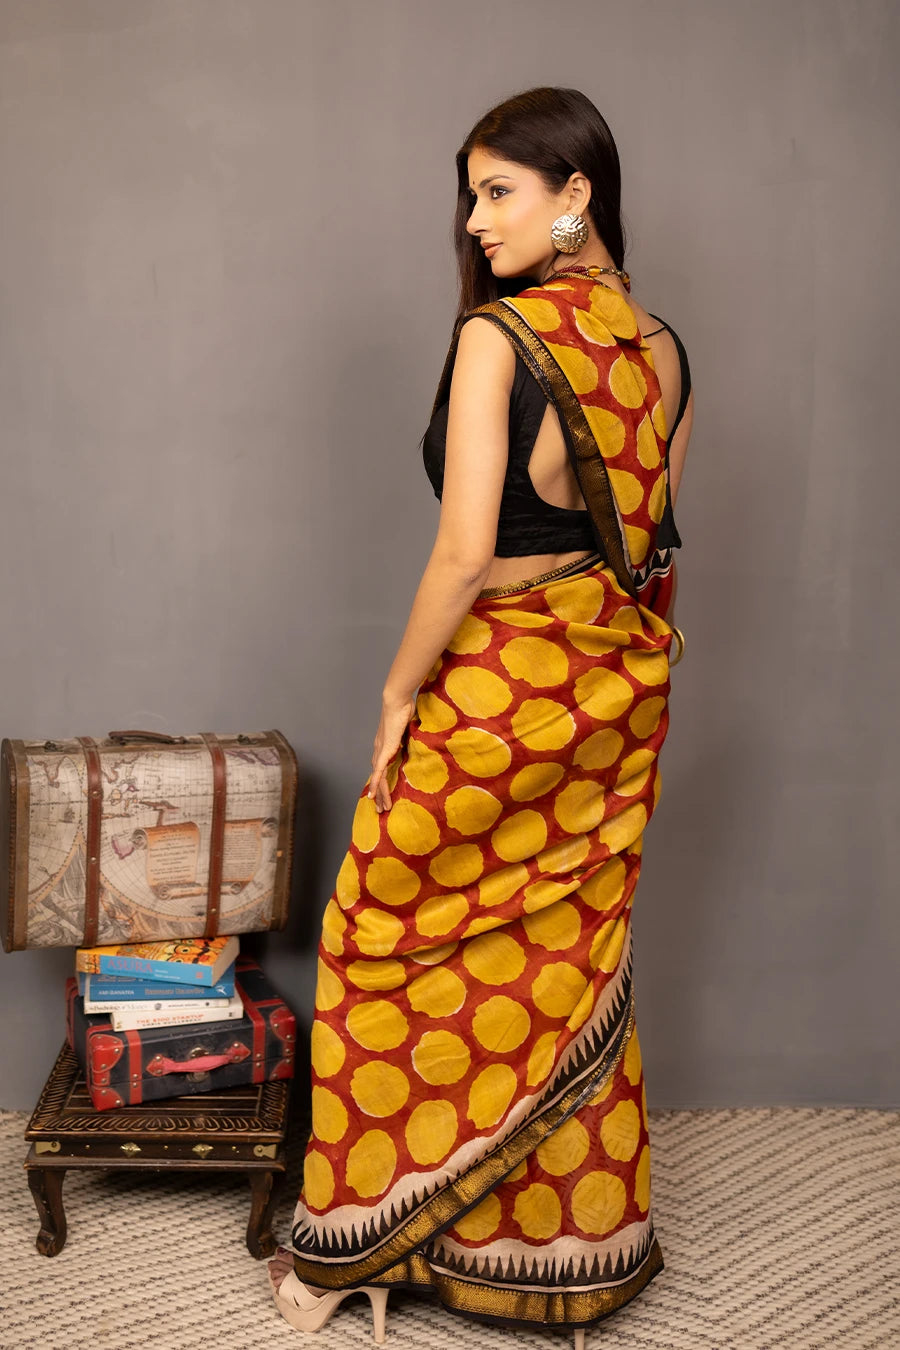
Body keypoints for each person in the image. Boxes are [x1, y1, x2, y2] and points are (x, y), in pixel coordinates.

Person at [268, 85, 693, 1347]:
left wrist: (401, 693)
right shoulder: (662, 345)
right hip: (608, 688)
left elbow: (464, 555)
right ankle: (558, 1257)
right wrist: (628, 693)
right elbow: (649, 547)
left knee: (376, 942)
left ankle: (354, 1256)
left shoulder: (501, 338)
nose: (475, 217)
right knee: (560, 961)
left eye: (499, 190)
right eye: (471, 191)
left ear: (578, 196)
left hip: (497, 681)